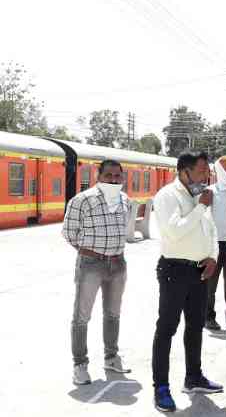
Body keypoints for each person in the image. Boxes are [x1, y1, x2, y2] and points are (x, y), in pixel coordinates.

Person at [151, 151, 223, 412]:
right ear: (184, 171)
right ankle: (160, 387)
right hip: (174, 271)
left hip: (199, 271)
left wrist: (213, 257)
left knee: (195, 327)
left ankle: (193, 378)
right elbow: (175, 231)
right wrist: (202, 206)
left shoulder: (199, 194)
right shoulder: (167, 196)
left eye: (207, 171)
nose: (207, 175)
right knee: (167, 329)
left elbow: (211, 230)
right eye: (202, 170)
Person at [63, 159, 132, 385]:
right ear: (98, 176)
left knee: (113, 313)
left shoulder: (125, 200)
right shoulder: (82, 200)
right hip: (91, 263)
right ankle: (79, 365)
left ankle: (111, 357)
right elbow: (69, 233)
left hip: (118, 263)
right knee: (82, 316)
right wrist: (89, 252)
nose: (113, 180)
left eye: (117, 176)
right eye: (108, 175)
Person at [205, 156, 226, 330]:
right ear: (218, 170)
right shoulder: (210, 191)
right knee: (211, 284)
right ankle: (208, 316)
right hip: (214, 244)